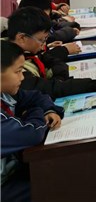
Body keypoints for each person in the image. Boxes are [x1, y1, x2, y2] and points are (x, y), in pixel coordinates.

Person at [4, 7, 96, 99]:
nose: (44, 45)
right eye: (41, 40)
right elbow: (50, 89)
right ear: (22, 38)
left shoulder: (26, 51)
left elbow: (48, 59)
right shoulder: (11, 63)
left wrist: (58, 77)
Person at [1, 40, 64, 201]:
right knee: (57, 185)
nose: (22, 77)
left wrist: (48, 110)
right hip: (4, 187)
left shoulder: (5, 92)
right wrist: (35, 111)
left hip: (11, 167)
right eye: (18, 72)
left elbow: (37, 96)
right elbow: (32, 134)